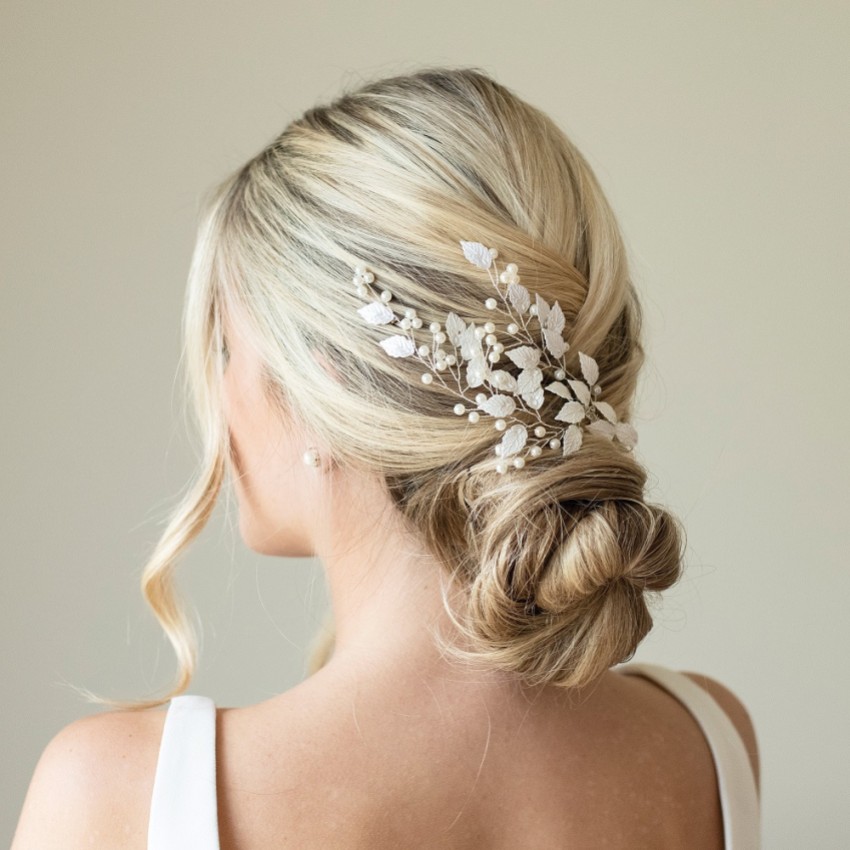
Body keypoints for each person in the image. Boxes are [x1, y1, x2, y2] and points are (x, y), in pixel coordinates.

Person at [12, 65, 760, 849]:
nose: (220, 396)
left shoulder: (118, 797)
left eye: (230, 347)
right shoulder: (706, 745)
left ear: (326, 382)